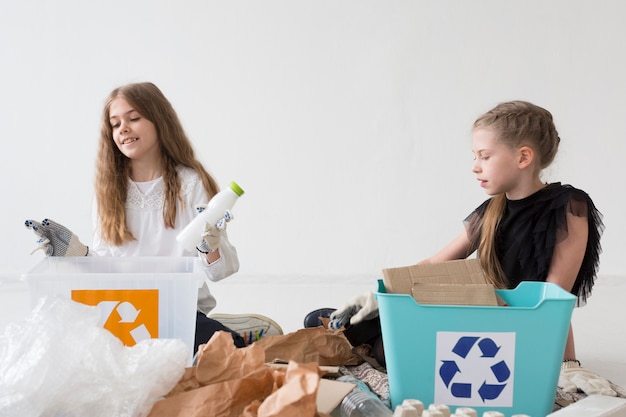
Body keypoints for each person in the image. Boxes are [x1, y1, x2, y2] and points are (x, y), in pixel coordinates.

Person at [322, 100, 617, 396]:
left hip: (525, 329)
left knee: (386, 349)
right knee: (339, 321)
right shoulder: (492, 209)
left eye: (484, 156)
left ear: (523, 157)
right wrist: (380, 291)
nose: (475, 166)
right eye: (475, 156)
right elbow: (437, 262)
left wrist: (566, 363)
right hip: (483, 315)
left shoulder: (568, 205)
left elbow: (553, 297)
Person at [25, 82, 281, 353]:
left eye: (134, 118)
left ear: (160, 121)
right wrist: (77, 254)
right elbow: (107, 270)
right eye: (115, 124)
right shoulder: (108, 191)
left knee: (221, 357)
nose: (123, 128)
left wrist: (210, 247)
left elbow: (220, 272)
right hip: (122, 313)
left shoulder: (191, 184)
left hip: (178, 312)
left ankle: (235, 337)